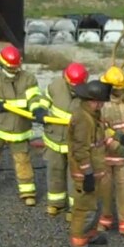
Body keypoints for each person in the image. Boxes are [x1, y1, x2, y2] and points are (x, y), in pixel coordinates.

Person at [0, 45, 49, 203]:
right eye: (11, 67)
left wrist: (38, 109)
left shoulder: (28, 78)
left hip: (18, 128)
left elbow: (34, 97)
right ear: (2, 64)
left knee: (22, 160)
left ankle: (27, 192)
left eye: (16, 67)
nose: (14, 70)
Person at [68, 79, 113, 247]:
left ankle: (89, 233)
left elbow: (100, 139)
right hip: (85, 173)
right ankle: (78, 241)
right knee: (84, 208)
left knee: (94, 205)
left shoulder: (93, 115)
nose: (102, 105)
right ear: (90, 100)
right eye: (99, 102)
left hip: (95, 170)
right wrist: (87, 173)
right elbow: (80, 149)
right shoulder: (82, 119)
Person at [97, 66, 124, 240]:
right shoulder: (100, 101)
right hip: (105, 154)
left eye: (121, 89)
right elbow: (99, 127)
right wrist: (113, 143)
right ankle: (105, 220)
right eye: (116, 89)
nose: (119, 92)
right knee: (105, 190)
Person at [42, 62, 88, 217]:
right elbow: (43, 100)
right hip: (54, 139)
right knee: (55, 171)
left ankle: (74, 208)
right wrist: (39, 110)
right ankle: (55, 203)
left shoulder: (88, 95)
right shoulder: (55, 86)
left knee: (74, 177)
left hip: (74, 144)